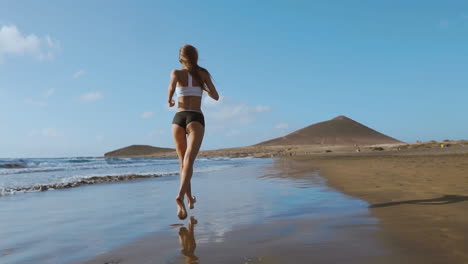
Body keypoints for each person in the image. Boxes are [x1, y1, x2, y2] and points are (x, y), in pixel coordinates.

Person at [168, 44, 219, 220]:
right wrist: (202, 87)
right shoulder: (202, 73)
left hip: (178, 118)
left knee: (183, 161)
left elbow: (170, 91)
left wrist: (169, 101)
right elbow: (216, 96)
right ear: (196, 57)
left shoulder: (175, 73)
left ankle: (188, 197)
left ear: (180, 58)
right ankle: (180, 196)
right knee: (190, 159)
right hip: (195, 117)